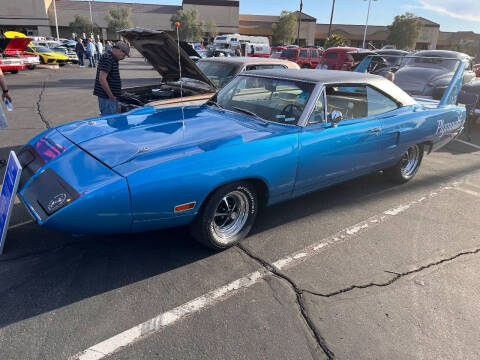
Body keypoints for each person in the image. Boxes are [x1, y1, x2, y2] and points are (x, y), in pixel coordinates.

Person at [93, 41, 130, 116]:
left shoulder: (112, 58)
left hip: (108, 97)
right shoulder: (108, 58)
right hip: (107, 98)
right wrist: (111, 96)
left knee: (111, 119)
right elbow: (102, 78)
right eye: (124, 54)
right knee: (110, 120)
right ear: (119, 50)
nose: (124, 57)